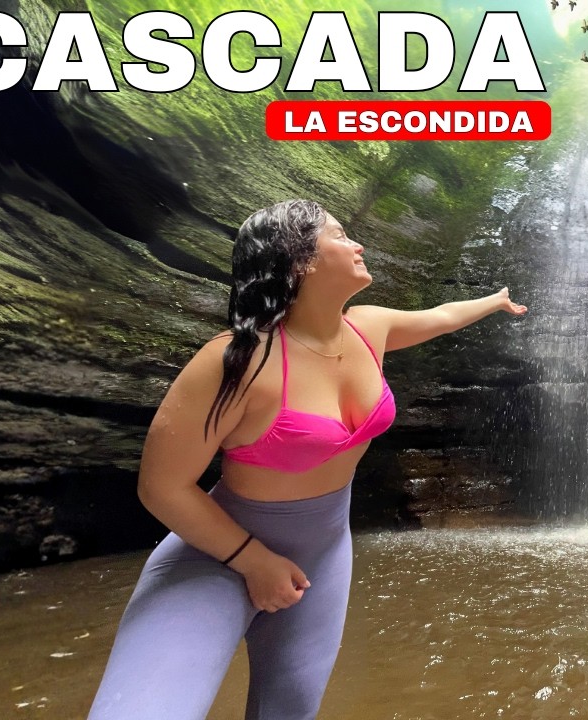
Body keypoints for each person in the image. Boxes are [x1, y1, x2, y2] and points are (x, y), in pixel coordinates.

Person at [89, 199, 527, 720]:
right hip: (212, 552)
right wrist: (254, 561)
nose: (358, 245)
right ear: (300, 261)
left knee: (289, 710)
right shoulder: (237, 359)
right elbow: (162, 486)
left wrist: (494, 300)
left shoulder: (369, 328)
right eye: (341, 236)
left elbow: (441, 317)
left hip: (323, 554)